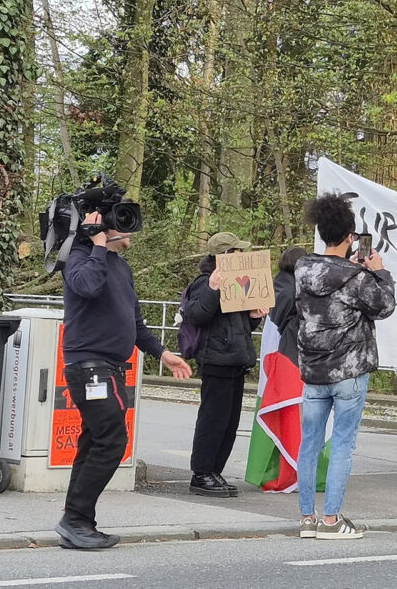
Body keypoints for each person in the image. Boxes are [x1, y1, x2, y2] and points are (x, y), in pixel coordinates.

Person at [58, 210, 193, 549]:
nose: (131, 230)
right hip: (90, 366)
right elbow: (86, 286)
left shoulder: (120, 266)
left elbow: (135, 322)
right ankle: (74, 519)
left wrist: (162, 353)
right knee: (113, 440)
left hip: (110, 367)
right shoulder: (79, 257)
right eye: (123, 223)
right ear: (101, 228)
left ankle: (79, 521)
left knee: (94, 442)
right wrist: (98, 244)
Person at [294, 193, 395, 539]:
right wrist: (379, 272)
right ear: (351, 237)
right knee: (341, 445)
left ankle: (307, 519)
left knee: (309, 444)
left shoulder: (303, 269)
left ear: (321, 232)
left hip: (312, 371)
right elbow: (384, 307)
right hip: (349, 371)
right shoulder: (357, 277)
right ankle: (332, 520)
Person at [181, 232, 267, 497]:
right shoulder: (204, 282)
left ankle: (215, 470)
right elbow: (197, 315)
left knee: (229, 422)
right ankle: (201, 472)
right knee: (213, 419)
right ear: (223, 256)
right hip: (216, 359)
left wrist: (254, 317)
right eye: (236, 252)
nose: (241, 256)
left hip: (235, 359)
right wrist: (213, 289)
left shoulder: (237, 281)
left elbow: (239, 326)